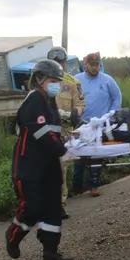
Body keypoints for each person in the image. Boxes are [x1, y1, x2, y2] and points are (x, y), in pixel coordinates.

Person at [5, 59, 78, 260]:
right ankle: (14, 235)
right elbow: (42, 133)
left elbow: (53, 130)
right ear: (39, 80)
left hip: (49, 164)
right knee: (32, 206)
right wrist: (63, 152)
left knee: (53, 208)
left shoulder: (48, 100)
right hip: (30, 165)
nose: (56, 84)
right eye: (53, 80)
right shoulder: (35, 99)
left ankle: (50, 252)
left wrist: (67, 143)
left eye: (58, 81)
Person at [71, 53, 122, 196]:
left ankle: (94, 185)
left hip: (100, 124)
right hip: (82, 123)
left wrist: (111, 115)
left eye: (97, 64)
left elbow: (116, 97)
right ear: (85, 65)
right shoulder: (77, 80)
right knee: (79, 154)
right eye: (92, 64)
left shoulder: (107, 80)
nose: (95, 67)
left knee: (96, 154)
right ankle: (76, 186)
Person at [47, 46, 86, 219]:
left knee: (60, 171)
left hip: (63, 132)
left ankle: (60, 205)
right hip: (44, 133)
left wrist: (73, 114)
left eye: (60, 62)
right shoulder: (43, 82)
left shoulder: (72, 83)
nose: (58, 65)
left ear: (64, 63)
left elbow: (80, 104)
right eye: (54, 62)